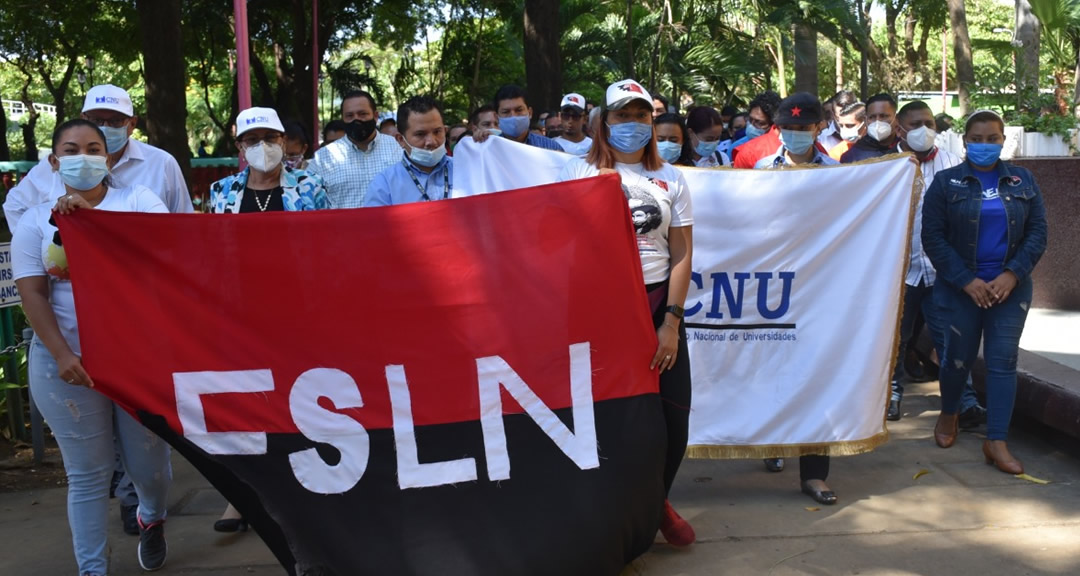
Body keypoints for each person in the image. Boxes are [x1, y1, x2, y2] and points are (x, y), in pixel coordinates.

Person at [13, 119, 173, 575]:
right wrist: (62, 355)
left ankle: (152, 516)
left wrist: (91, 223)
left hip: (136, 361)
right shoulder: (34, 220)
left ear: (108, 157)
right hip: (64, 365)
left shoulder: (139, 202)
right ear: (53, 160)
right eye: (71, 148)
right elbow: (34, 293)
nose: (82, 156)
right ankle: (91, 569)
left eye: (93, 148)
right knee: (87, 476)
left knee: (151, 470)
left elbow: (159, 263)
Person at [557, 78, 695, 548]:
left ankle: (656, 502)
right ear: (604, 122)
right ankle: (639, 514)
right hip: (605, 311)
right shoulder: (577, 174)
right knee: (613, 421)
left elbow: (681, 254)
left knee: (673, 422)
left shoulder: (672, 178)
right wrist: (481, 145)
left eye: (641, 116)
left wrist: (671, 323)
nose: (632, 124)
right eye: (622, 116)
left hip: (659, 306)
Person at [922, 110, 1047, 474]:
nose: (984, 144)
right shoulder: (946, 184)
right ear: (964, 141)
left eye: (992, 138)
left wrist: (1012, 274)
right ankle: (949, 413)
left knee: (1003, 362)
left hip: (1010, 291)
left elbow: (1038, 232)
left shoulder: (1022, 179)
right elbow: (933, 236)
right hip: (961, 290)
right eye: (977, 138)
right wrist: (966, 280)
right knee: (956, 360)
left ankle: (996, 441)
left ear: (1003, 140)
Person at [751, 93, 839, 507]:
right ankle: (770, 443)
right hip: (772, 291)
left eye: (805, 128)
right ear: (778, 128)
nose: (797, 134)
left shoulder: (842, 177)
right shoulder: (759, 173)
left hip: (820, 294)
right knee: (771, 371)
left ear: (819, 128)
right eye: (789, 127)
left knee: (815, 377)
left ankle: (815, 473)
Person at [887, 101, 984, 423]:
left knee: (952, 341)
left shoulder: (954, 165)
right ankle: (890, 396)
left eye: (929, 123)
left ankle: (964, 403)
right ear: (899, 129)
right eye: (915, 124)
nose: (924, 130)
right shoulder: (886, 167)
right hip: (899, 272)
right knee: (893, 340)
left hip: (943, 272)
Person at [4, 84, 193, 232]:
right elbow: (15, 206)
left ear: (132, 123)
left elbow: (183, 224)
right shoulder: (58, 165)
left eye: (116, 121)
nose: (105, 127)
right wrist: (45, 243)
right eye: (96, 120)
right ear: (83, 119)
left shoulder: (160, 164)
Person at [210, 107, 329, 214]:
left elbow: (323, 233)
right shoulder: (221, 190)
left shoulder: (311, 185)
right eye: (252, 139)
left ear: (283, 141)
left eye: (270, 137)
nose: (263, 145)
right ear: (240, 147)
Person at [308, 90, 399, 208]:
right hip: (344, 226)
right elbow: (308, 201)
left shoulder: (398, 148)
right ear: (343, 119)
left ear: (375, 116)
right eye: (350, 116)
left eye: (362, 114)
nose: (356, 120)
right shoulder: (324, 158)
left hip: (392, 225)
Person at [365, 96, 453, 207]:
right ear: (401, 140)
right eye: (420, 134)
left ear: (445, 131)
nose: (431, 141)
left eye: (437, 132)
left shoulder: (464, 170)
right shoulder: (384, 185)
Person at [473, 85, 564, 151]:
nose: (513, 116)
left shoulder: (551, 148)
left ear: (530, 112)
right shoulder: (488, 148)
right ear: (497, 117)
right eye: (506, 112)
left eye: (519, 110)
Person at [840, 93, 899, 163]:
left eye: (883, 116)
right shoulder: (852, 157)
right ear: (865, 120)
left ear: (897, 118)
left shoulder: (906, 149)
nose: (878, 121)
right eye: (872, 117)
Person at [731, 91, 783, 169]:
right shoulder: (746, 149)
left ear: (774, 122)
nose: (752, 125)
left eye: (760, 122)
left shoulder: (789, 144)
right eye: (750, 119)